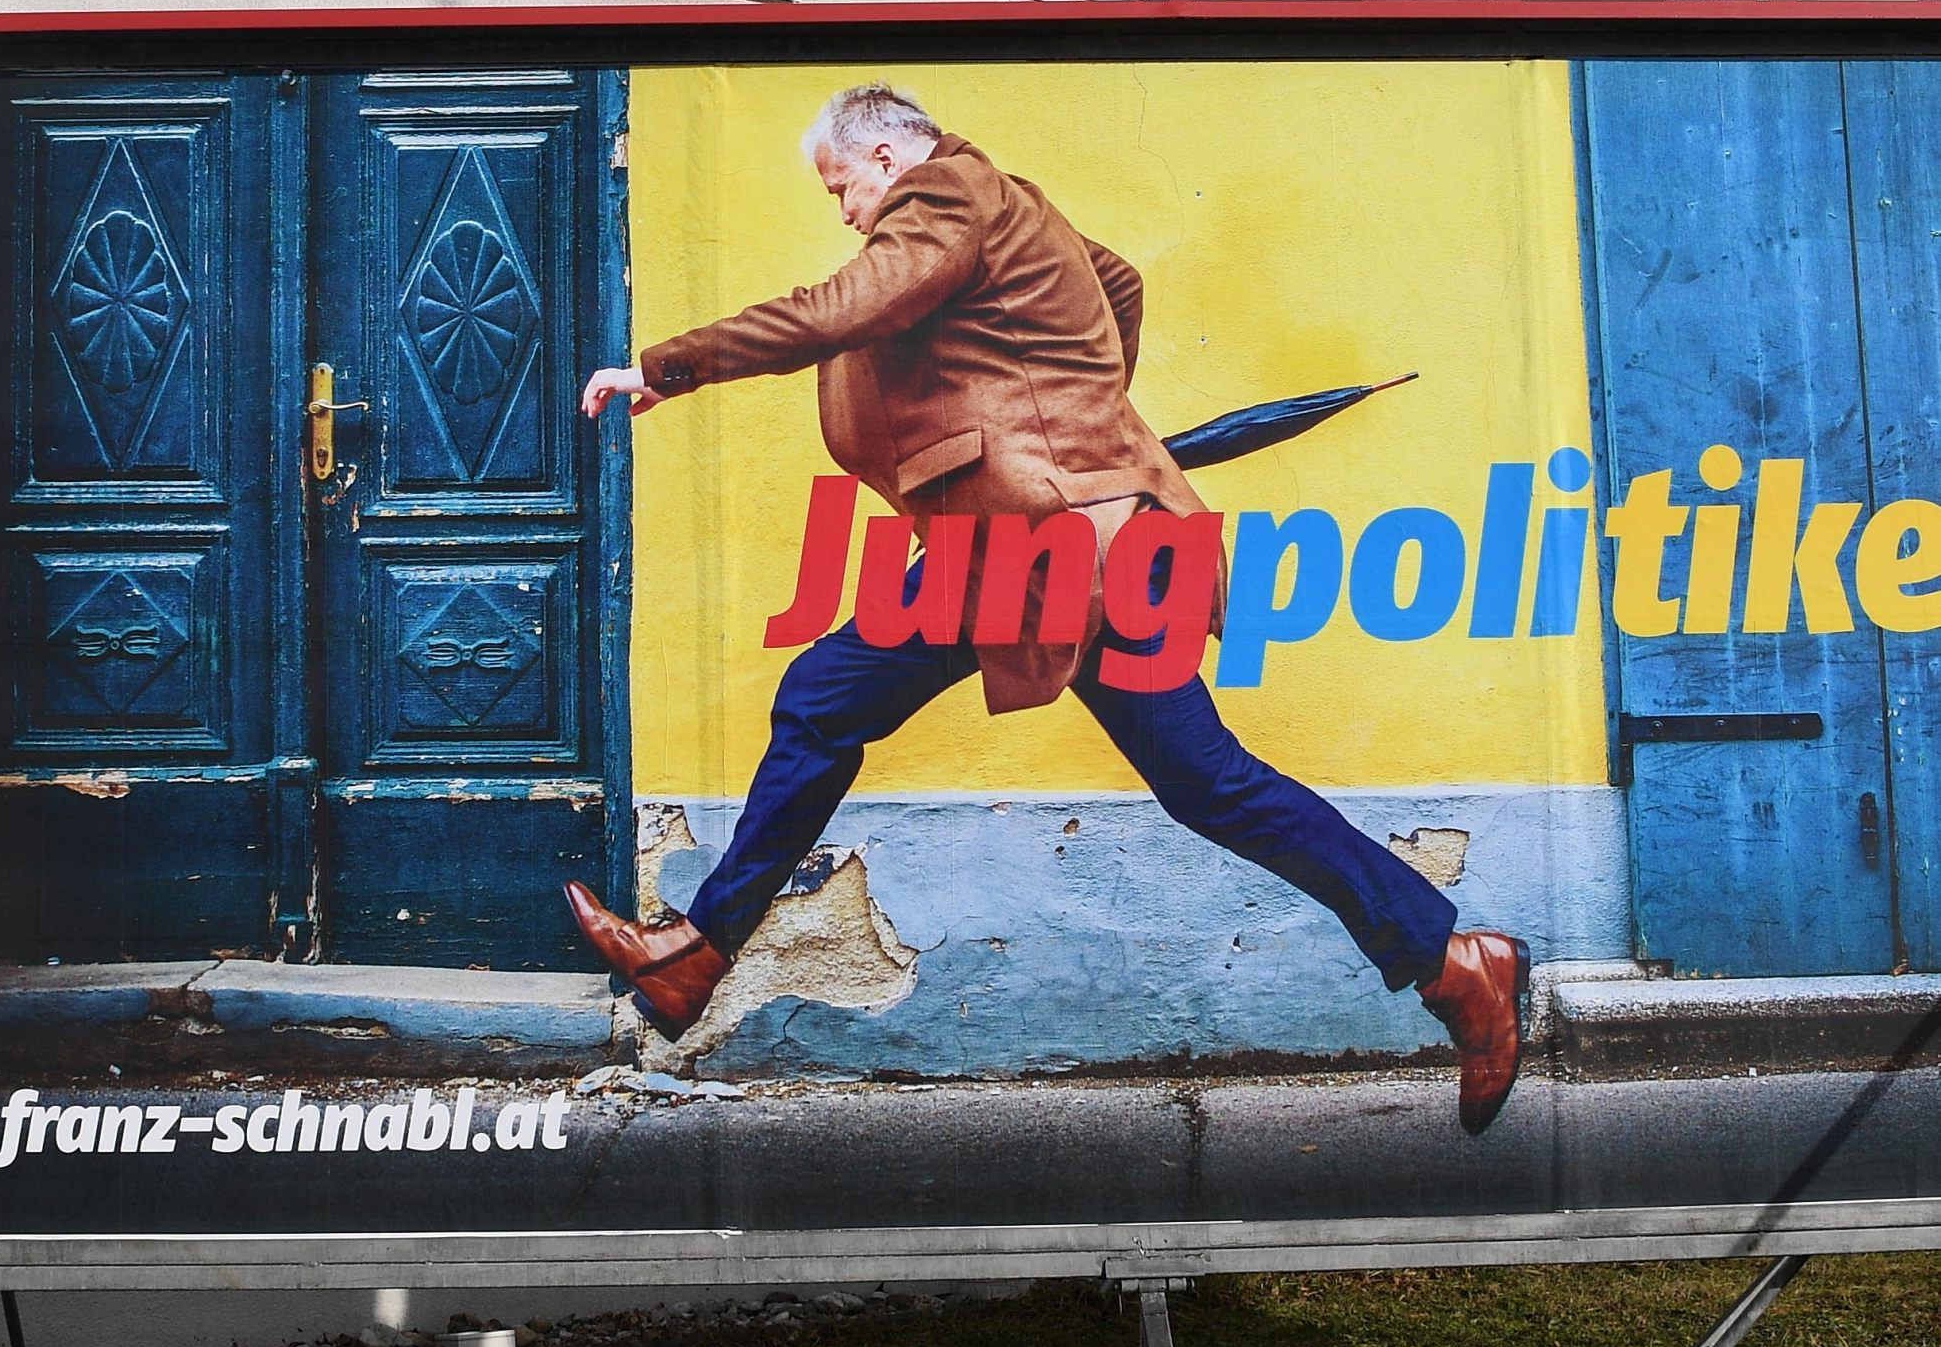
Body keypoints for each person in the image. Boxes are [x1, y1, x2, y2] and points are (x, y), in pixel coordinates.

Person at [572, 82, 1531, 1135]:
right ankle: (1452, 965)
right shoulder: (1001, 203)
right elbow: (1110, 277)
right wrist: (1082, 413)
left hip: (1055, 549)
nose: (844, 211)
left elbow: (844, 306)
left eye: (842, 187)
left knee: (843, 700)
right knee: (1184, 776)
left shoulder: (941, 196)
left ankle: (692, 956)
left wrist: (665, 366)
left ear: (886, 155)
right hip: (1052, 543)